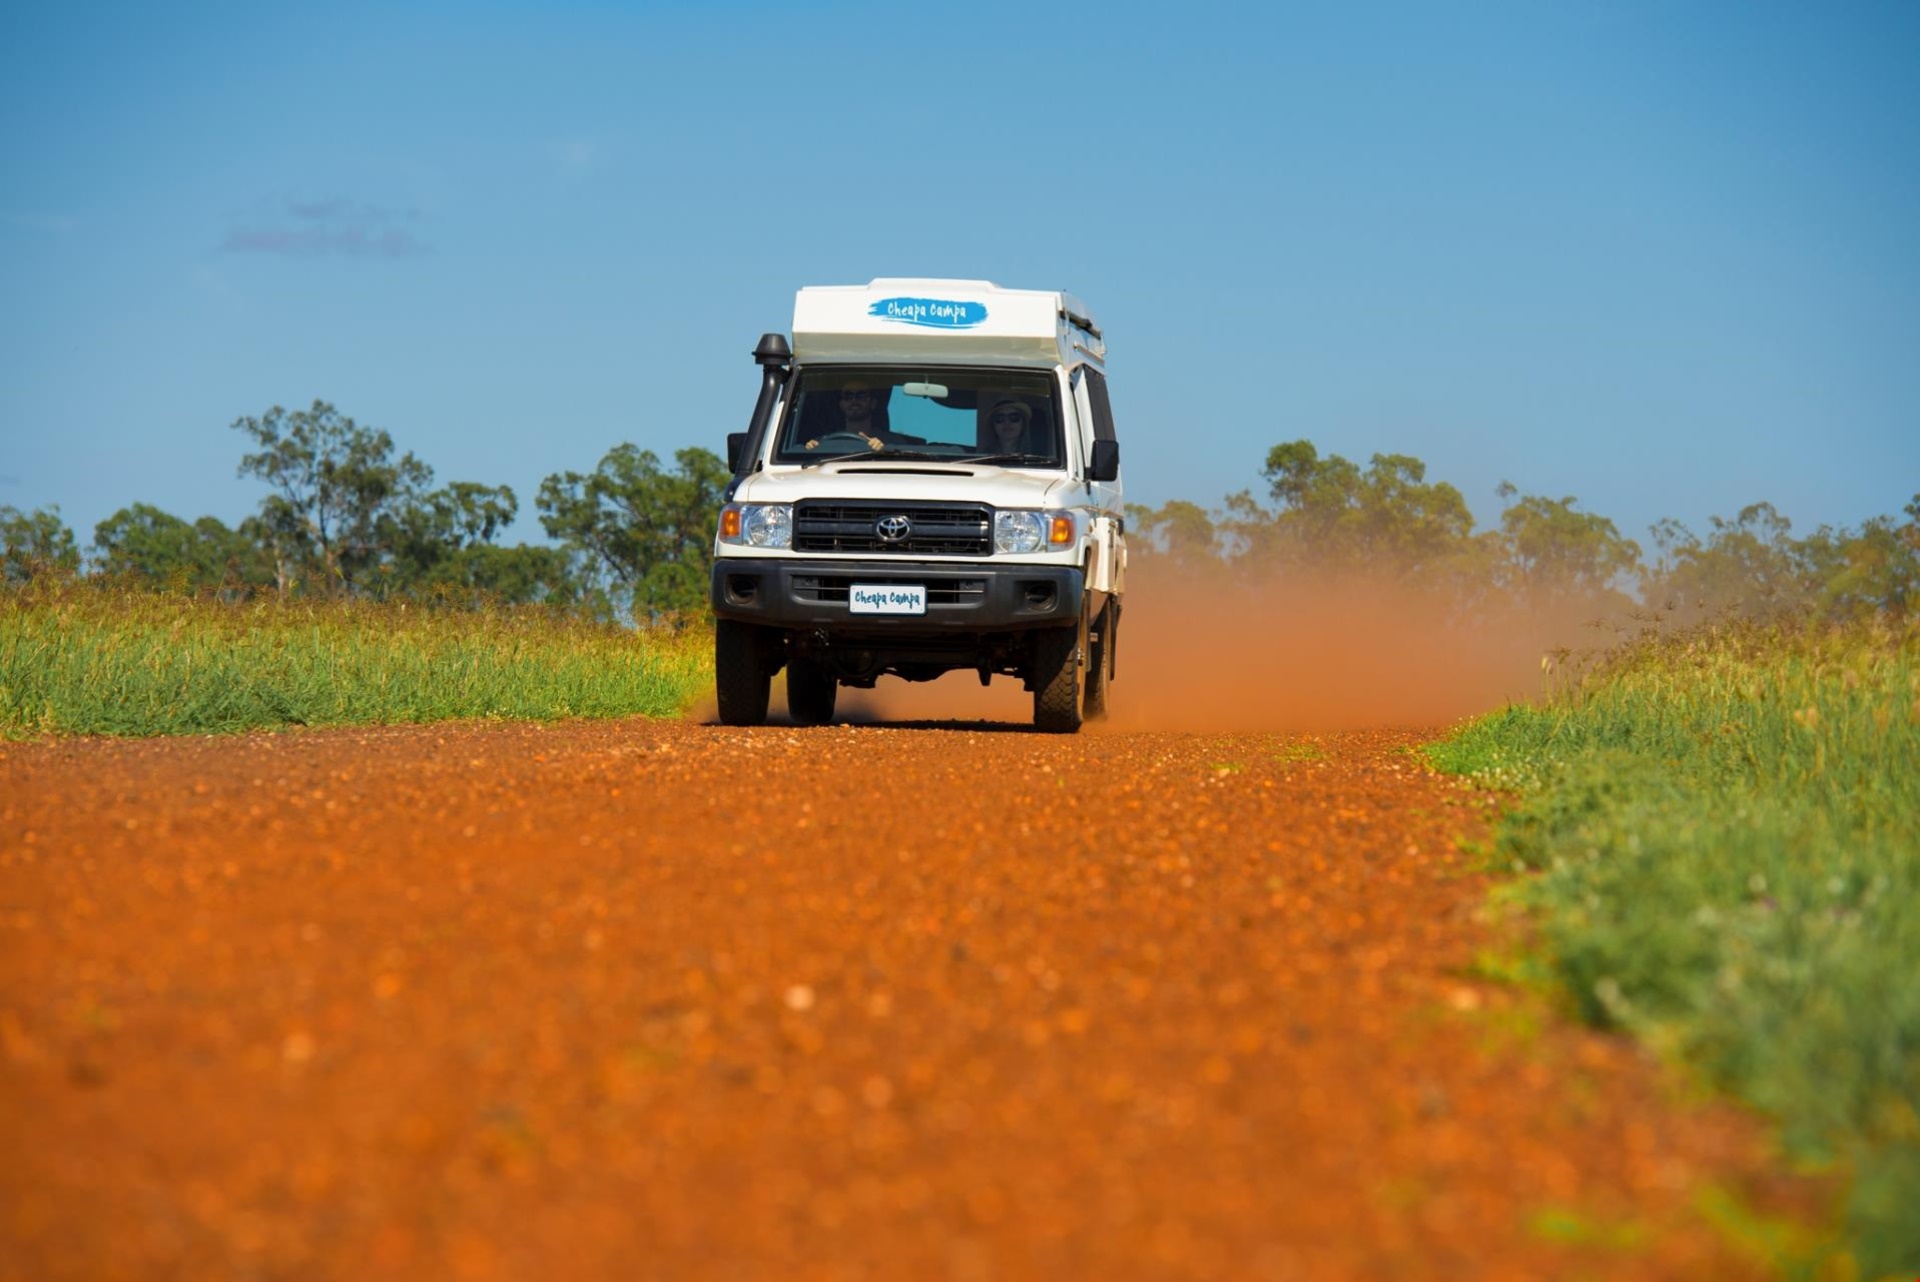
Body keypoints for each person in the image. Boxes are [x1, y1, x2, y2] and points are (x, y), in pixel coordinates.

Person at [804, 384, 907, 451]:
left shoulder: (893, 442)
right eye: (848, 396)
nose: (854, 401)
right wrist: (810, 449)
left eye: (861, 396)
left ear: (873, 403)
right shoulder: (823, 442)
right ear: (841, 404)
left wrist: (884, 451)